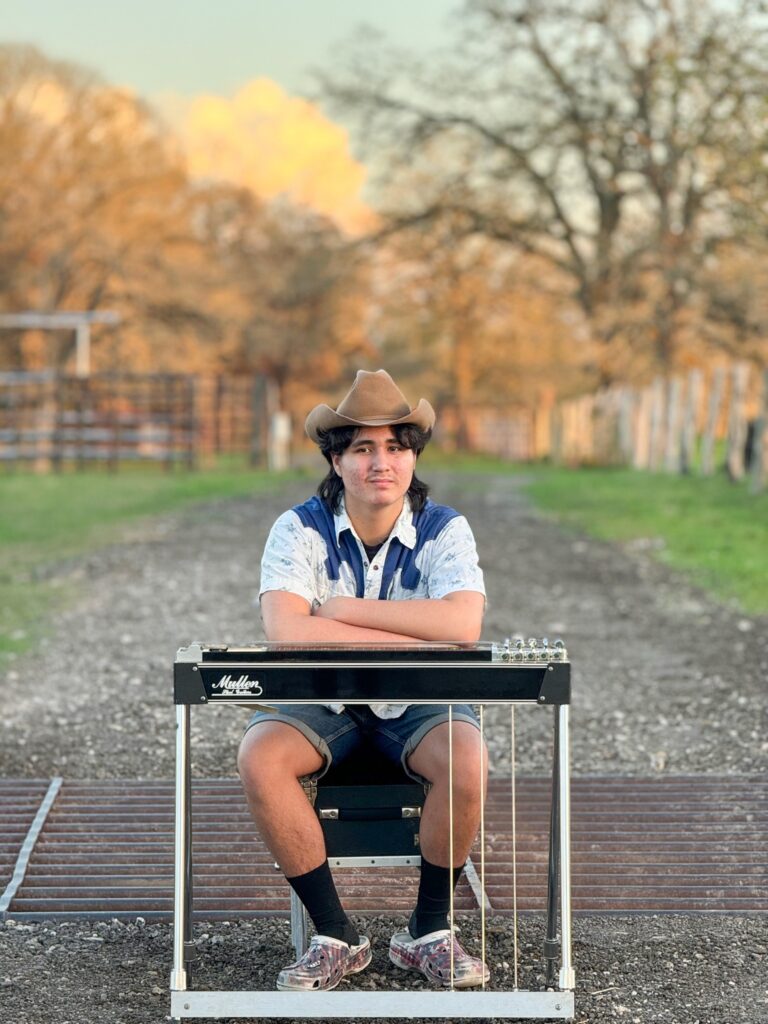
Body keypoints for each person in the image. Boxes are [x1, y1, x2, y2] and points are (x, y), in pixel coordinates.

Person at [237, 369, 489, 991]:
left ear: (412, 457)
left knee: (467, 755)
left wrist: (344, 611)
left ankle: (429, 931)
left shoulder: (444, 528)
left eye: (396, 447)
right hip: (323, 703)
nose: (383, 462)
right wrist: (414, 635)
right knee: (259, 754)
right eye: (363, 448)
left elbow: (463, 623)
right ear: (336, 458)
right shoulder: (298, 527)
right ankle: (335, 937)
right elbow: (286, 633)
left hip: (422, 705)